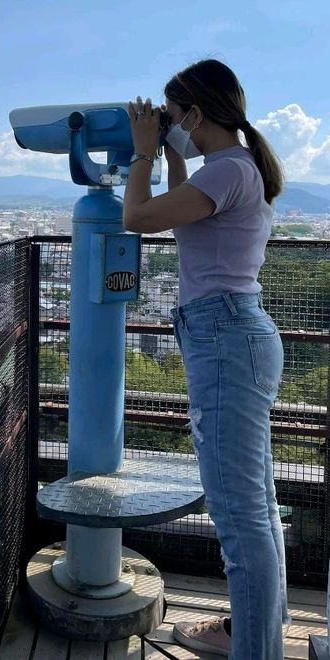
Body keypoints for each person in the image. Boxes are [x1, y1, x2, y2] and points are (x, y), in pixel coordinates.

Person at [123, 59, 290, 659]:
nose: (168, 125)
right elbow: (179, 213)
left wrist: (143, 150)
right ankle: (254, 636)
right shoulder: (230, 169)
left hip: (225, 340)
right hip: (232, 337)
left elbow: (137, 218)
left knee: (241, 521)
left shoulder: (228, 172)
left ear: (195, 113)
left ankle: (254, 649)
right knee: (258, 512)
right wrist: (170, 156)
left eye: (173, 116)